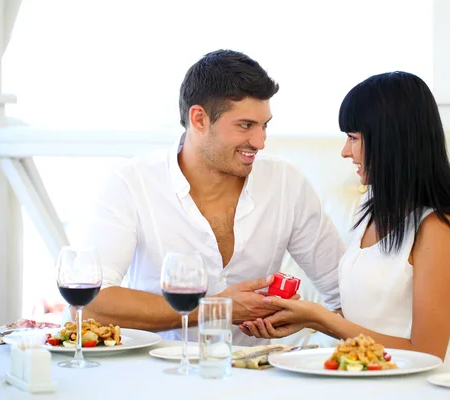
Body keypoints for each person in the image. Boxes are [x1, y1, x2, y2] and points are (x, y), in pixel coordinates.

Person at [74, 50, 345, 346]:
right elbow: (92, 302)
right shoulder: (130, 182)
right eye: (245, 125)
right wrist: (215, 309)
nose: (260, 142)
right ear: (199, 119)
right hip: (157, 377)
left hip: (255, 379)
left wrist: (304, 318)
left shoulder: (286, 182)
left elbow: (343, 293)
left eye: (264, 125)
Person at [239, 71, 450, 363]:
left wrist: (319, 316)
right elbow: (368, 319)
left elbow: (427, 354)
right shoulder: (373, 210)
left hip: (421, 383)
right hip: (366, 373)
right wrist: (305, 318)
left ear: (391, 141)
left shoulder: (440, 229)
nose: (345, 151)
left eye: (352, 138)